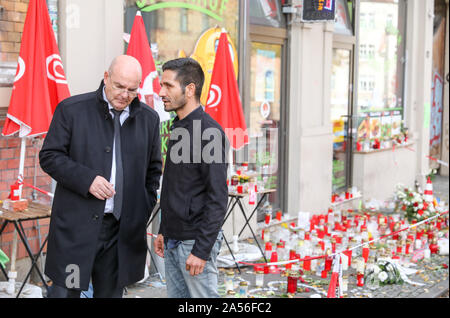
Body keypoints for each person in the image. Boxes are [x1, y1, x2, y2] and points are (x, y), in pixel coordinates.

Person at [39, 55, 162, 298]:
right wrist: (87, 180)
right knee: (66, 293)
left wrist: (139, 214)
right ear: (106, 78)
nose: (125, 95)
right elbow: (50, 156)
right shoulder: (72, 110)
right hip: (76, 231)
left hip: (120, 236)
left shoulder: (149, 119)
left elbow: (153, 172)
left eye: (132, 90)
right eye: (119, 86)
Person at [153, 58, 228, 298]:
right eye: (161, 85)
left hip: (194, 243)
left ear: (190, 89)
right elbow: (176, 187)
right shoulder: (177, 127)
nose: (161, 92)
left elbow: (217, 198)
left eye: (168, 86)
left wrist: (202, 250)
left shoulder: (209, 132)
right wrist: (164, 230)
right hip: (174, 239)